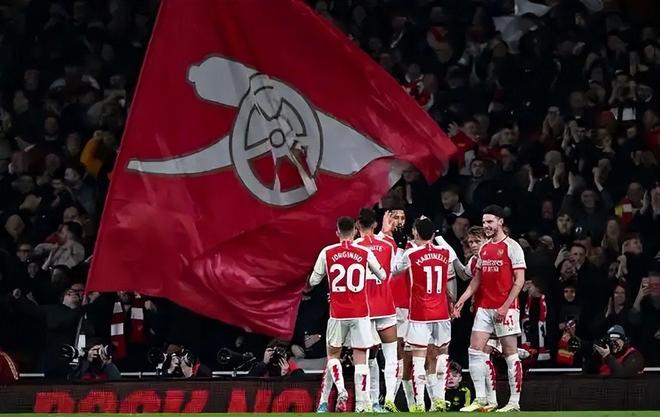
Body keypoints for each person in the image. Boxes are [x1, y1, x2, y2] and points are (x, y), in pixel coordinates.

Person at [454, 205, 526, 412]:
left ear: (500, 222)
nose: (486, 225)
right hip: (484, 308)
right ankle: (482, 399)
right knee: (474, 350)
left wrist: (505, 306)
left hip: (506, 308)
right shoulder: (484, 248)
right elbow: (477, 279)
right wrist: (462, 299)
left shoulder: (512, 247)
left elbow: (520, 280)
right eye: (484, 222)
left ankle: (514, 402)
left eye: (490, 221)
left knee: (510, 354)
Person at [310, 216, 385, 413]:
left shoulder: (327, 252)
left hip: (337, 313)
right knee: (361, 358)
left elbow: (313, 281)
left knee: (333, 355)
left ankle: (338, 391)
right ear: (354, 232)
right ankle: (362, 405)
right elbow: (382, 275)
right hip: (360, 313)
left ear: (337, 232)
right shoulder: (364, 251)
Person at [392, 217, 455, 412]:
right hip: (442, 313)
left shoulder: (411, 254)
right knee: (441, 355)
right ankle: (439, 400)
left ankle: (419, 404)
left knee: (418, 359)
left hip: (420, 313)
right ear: (433, 234)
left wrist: (400, 247)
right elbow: (453, 260)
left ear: (415, 233)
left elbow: (394, 271)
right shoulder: (445, 252)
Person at [354, 208, 398, 412]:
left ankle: (369, 402)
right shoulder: (388, 245)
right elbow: (392, 272)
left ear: (357, 225)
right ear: (375, 225)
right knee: (391, 356)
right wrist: (385, 234)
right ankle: (389, 399)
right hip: (386, 306)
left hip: (365, 309)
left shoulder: (354, 247)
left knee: (368, 357)